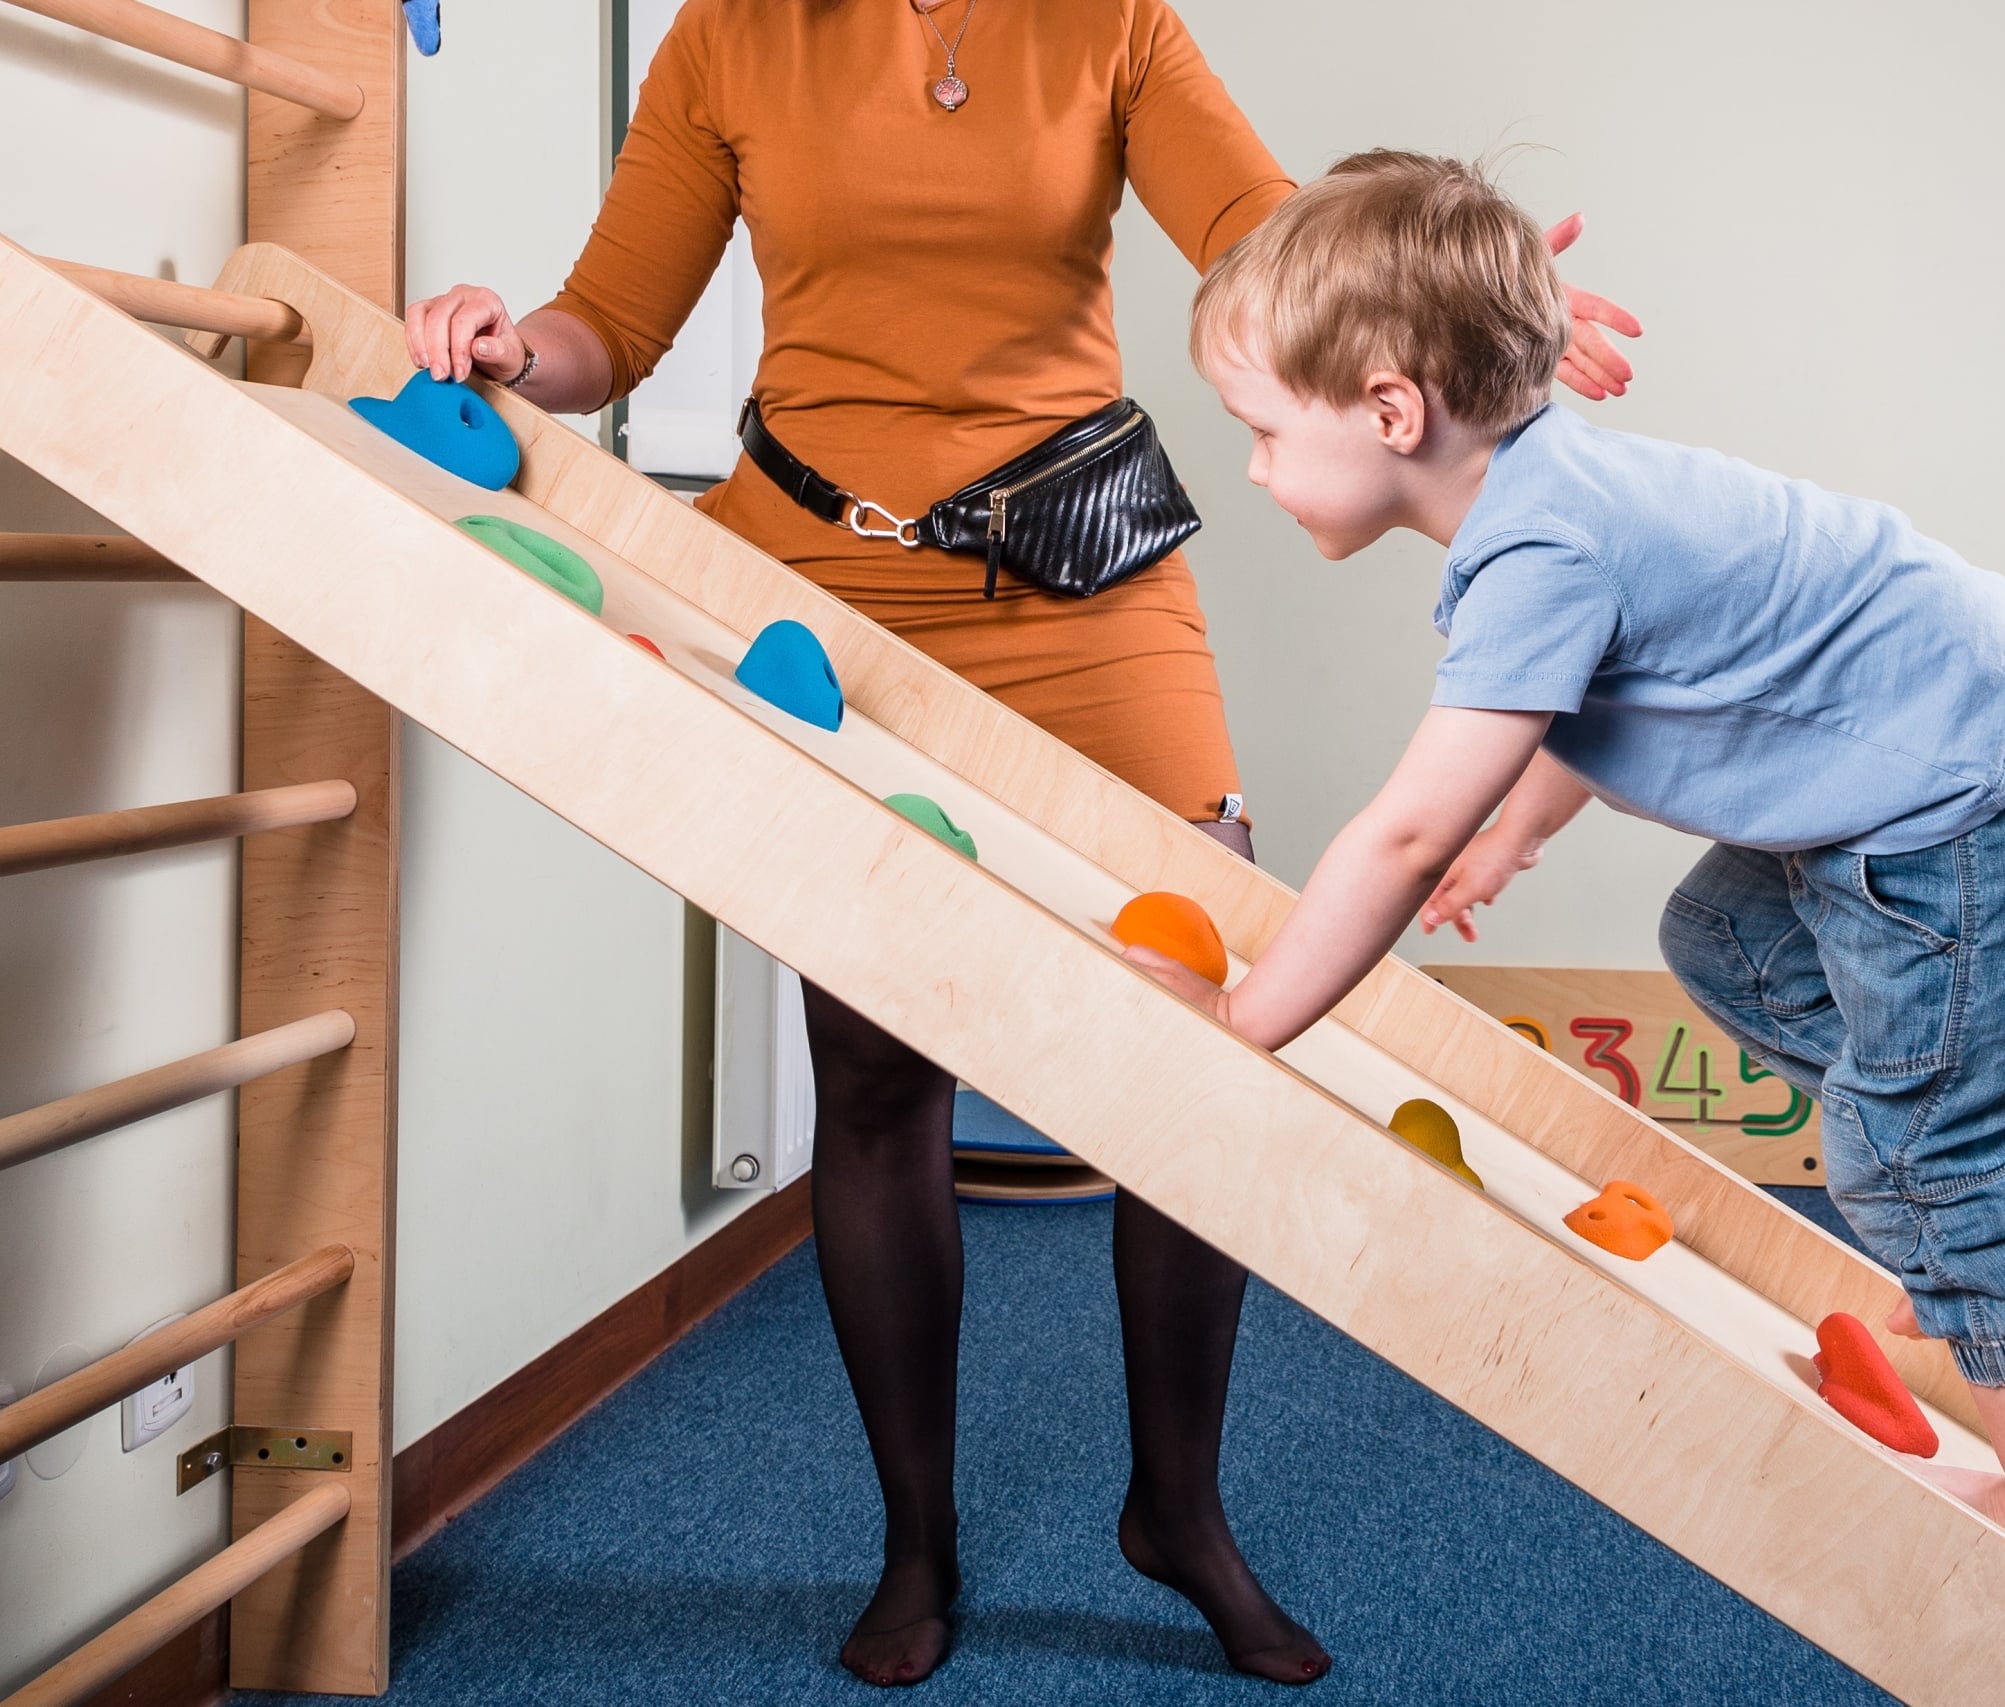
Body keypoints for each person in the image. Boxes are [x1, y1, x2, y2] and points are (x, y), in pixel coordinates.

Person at [395, 2, 1639, 1688]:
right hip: (809, 582)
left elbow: (1267, 240)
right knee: (878, 1068)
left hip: (1087, 574)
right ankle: (917, 1543)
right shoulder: (730, 36)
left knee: (1206, 1049)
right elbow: (607, 325)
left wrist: (1472, 323)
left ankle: (1178, 1515)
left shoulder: (1111, 22)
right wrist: (499, 348)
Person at [1133, 149, 2005, 1598]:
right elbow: (1610, 705)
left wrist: (1243, 1026)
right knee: (1727, 943)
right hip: (1944, 773)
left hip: (1984, 797)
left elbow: (1403, 827)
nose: (1255, 468)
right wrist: (1522, 831)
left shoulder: (1540, 546)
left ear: (1391, 412)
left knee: (1907, 1161)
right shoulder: (1556, 491)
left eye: (1265, 430)